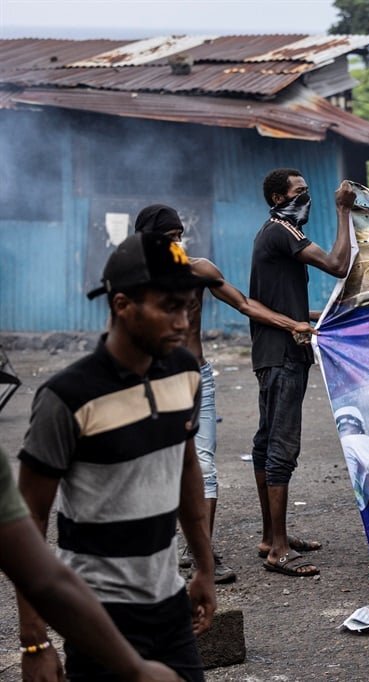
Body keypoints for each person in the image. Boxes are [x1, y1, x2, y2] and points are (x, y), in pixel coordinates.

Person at [16, 232, 217, 680]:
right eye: (169, 306)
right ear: (123, 305)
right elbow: (27, 520)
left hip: (171, 608)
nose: (183, 322)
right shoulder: (66, 397)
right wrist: (35, 638)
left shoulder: (185, 374)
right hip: (96, 618)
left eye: (188, 306)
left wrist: (203, 567)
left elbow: (186, 469)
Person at [135, 204, 317, 584]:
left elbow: (244, 304)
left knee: (203, 464)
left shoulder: (198, 269)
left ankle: (201, 553)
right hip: (152, 380)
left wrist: (292, 323)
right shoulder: (133, 281)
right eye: (168, 238)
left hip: (196, 376)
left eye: (179, 235)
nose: (177, 243)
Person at [250, 168, 355, 577]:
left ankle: (269, 536)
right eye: (300, 192)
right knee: (281, 449)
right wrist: (343, 213)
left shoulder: (271, 234)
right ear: (278, 198)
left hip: (271, 352)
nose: (306, 198)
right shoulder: (282, 229)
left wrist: (330, 316)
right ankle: (278, 549)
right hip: (282, 355)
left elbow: (287, 308)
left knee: (265, 445)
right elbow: (338, 263)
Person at [1, 449, 180, 682]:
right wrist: (35, 642)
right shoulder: (60, 413)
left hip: (165, 603)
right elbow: (43, 578)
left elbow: (44, 579)